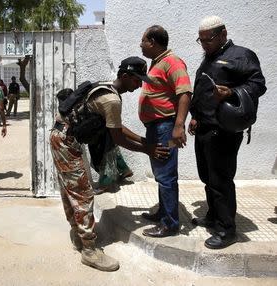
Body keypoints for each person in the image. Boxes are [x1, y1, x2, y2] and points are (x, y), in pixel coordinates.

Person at [50, 57, 170, 272]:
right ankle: (89, 250)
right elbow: (118, 138)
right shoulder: (112, 100)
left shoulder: (104, 88)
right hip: (67, 142)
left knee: (71, 189)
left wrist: (144, 142)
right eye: (136, 80)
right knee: (83, 194)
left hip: (61, 136)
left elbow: (117, 127)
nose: (139, 85)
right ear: (124, 76)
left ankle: (79, 234)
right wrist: (148, 149)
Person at [189, 16, 266, 249]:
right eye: (200, 40)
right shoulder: (209, 58)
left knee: (221, 180)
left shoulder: (241, 55)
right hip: (203, 126)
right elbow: (202, 91)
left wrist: (231, 93)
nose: (204, 44)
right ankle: (213, 216)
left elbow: (258, 85)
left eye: (208, 39)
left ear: (223, 34)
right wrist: (195, 116)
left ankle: (226, 230)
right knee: (207, 178)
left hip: (223, 130)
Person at [139, 25, 192, 238]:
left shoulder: (172, 62)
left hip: (166, 128)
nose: (140, 45)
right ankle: (163, 212)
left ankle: (170, 224)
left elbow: (185, 93)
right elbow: (159, 89)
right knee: (162, 174)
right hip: (156, 127)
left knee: (166, 175)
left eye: (142, 41)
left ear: (152, 42)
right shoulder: (157, 63)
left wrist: (178, 127)